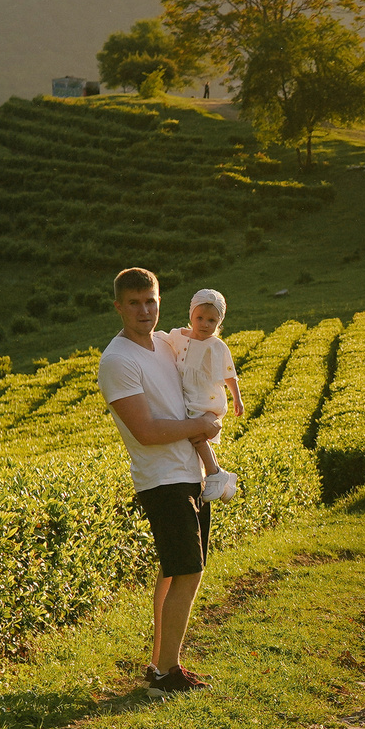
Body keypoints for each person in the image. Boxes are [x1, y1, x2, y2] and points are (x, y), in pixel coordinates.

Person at [97, 267, 223, 692]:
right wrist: (200, 426)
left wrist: (213, 414)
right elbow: (146, 432)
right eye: (133, 303)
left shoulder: (167, 345)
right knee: (189, 569)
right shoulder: (117, 360)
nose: (144, 310)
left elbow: (198, 378)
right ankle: (168, 672)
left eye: (150, 301)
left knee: (174, 571)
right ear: (118, 307)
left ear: (159, 302)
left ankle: (159, 665)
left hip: (190, 472)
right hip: (161, 478)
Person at [162, 287, 244, 502]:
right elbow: (160, 340)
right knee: (195, 435)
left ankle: (214, 473)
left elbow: (230, 375)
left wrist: (237, 399)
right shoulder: (178, 336)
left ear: (219, 322)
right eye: (200, 318)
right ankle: (222, 479)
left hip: (206, 399)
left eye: (211, 320)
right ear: (191, 316)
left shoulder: (217, 346)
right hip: (188, 397)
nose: (205, 324)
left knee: (196, 436)